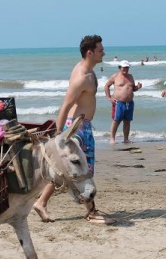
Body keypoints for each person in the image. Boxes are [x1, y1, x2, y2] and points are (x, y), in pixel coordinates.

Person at [33, 34, 114, 225]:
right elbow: (66, 105)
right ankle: (91, 212)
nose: (104, 52)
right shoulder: (82, 77)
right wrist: (58, 135)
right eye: (100, 50)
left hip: (82, 126)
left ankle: (41, 202)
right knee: (84, 168)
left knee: (66, 170)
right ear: (90, 52)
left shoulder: (89, 70)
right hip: (77, 128)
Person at [104, 60, 142, 144]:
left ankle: (126, 139)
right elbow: (107, 86)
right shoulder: (115, 76)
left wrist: (138, 87)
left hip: (129, 103)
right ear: (119, 68)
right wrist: (109, 97)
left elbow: (132, 89)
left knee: (127, 121)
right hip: (119, 103)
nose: (125, 69)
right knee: (116, 121)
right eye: (124, 68)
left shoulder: (130, 76)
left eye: (127, 68)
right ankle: (112, 139)